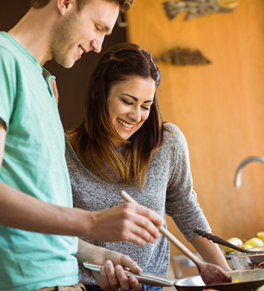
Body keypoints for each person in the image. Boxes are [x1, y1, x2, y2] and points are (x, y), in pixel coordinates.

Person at [0, 1, 166, 291]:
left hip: (66, 282)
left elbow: (42, 215)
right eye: (98, 27)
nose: (98, 45)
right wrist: (92, 222)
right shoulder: (3, 61)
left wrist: (96, 255)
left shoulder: (45, 83)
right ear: (65, 2)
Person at [65, 42, 231, 291]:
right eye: (127, 101)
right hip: (83, 285)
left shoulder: (168, 143)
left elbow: (186, 210)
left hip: (151, 284)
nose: (136, 115)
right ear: (98, 93)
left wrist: (228, 277)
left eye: (145, 105)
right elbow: (53, 228)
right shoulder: (65, 150)